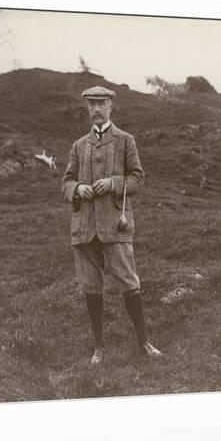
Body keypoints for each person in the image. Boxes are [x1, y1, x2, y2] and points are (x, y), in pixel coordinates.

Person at [61, 85, 163, 364]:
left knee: (130, 283)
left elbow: (138, 178)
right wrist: (77, 188)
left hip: (115, 225)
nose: (95, 108)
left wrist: (114, 183)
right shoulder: (79, 146)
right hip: (84, 227)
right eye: (91, 104)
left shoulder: (125, 140)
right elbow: (66, 181)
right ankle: (99, 347)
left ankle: (144, 342)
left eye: (101, 104)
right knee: (91, 287)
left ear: (110, 107)